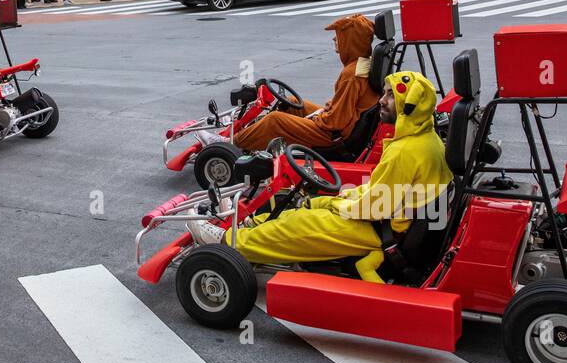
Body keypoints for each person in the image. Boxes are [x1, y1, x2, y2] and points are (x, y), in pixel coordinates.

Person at [186, 71, 451, 284]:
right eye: (384, 93)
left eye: (390, 96)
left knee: (298, 226)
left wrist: (334, 204)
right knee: (300, 210)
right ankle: (249, 227)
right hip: (390, 223)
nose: (382, 101)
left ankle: (229, 242)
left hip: (385, 231)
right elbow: (383, 193)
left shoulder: (406, 151)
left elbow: (375, 206)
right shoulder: (426, 140)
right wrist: (337, 199)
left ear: (410, 105)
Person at [215, 14, 380, 154]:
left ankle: (229, 145)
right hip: (345, 126)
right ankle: (253, 139)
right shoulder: (363, 64)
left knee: (275, 120)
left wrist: (318, 118)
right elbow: (343, 108)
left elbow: (336, 121)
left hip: (335, 134)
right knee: (293, 103)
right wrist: (325, 112)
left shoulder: (351, 75)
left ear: (350, 40)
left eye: (339, 36)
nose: (335, 39)